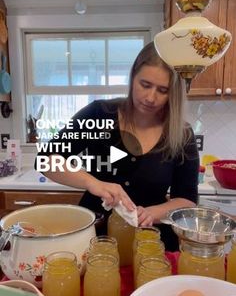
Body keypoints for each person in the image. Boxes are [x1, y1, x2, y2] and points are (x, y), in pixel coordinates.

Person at [35, 41, 199, 251]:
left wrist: (151, 213)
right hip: (95, 236)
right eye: (145, 84)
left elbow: (186, 200)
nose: (150, 97)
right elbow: (46, 160)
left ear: (173, 93)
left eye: (162, 90)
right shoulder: (99, 114)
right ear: (132, 79)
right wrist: (93, 183)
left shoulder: (181, 134)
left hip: (151, 240)